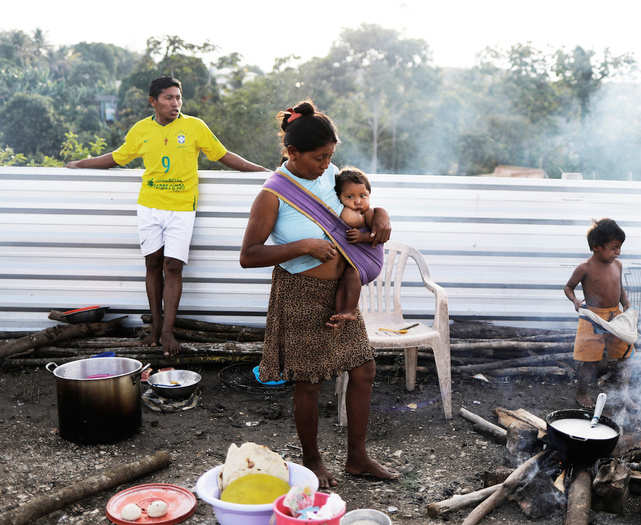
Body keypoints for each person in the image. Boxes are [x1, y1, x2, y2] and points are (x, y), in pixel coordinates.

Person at [239, 100, 399, 488]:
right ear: (292, 153)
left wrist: (381, 216)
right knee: (308, 382)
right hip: (300, 293)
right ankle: (312, 461)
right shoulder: (272, 194)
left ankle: (357, 458)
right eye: (318, 157)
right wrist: (304, 246)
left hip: (342, 293)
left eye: (331, 155)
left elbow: (363, 200)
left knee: (363, 369)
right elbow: (248, 256)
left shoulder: (332, 177)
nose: (326, 165)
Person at [66, 76, 268, 356]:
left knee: (173, 266)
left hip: (182, 208)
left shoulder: (194, 127)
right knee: (152, 263)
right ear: (153, 101)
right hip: (149, 206)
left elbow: (224, 155)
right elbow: (116, 157)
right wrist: (80, 164)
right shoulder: (141, 130)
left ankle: (167, 331)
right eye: (169, 98)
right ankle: (155, 325)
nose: (175, 103)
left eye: (178, 97)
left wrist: (265, 173)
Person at [564, 218, 634, 409]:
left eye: (619, 247)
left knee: (625, 356)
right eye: (614, 248)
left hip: (615, 316)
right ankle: (582, 394)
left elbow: (620, 287)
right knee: (589, 360)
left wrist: (626, 305)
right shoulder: (584, 268)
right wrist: (575, 300)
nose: (618, 252)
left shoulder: (617, 265)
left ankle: (624, 395)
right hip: (593, 318)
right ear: (596, 247)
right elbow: (568, 287)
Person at [328, 167, 379, 328]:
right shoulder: (341, 212)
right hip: (354, 263)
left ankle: (350, 310)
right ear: (339, 198)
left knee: (350, 275)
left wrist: (363, 237)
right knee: (343, 283)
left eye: (363, 196)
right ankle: (340, 313)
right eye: (350, 197)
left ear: (369, 194)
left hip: (369, 261)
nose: (358, 201)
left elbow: (378, 236)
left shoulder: (369, 214)